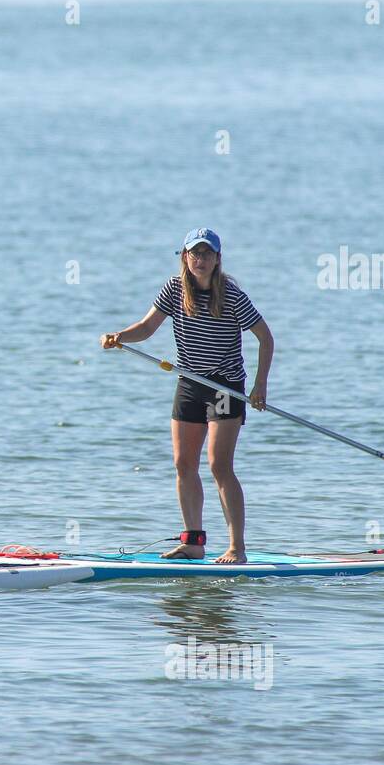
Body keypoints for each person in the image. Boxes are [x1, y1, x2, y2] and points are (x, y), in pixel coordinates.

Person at [101, 228, 274, 564]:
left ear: (218, 259)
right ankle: (193, 542)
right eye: (195, 253)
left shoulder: (233, 295)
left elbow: (266, 338)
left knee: (219, 465)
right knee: (183, 464)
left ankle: (236, 548)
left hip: (225, 386)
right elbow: (147, 327)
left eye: (207, 254)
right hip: (190, 382)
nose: (201, 259)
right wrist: (119, 336)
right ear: (184, 257)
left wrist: (259, 385)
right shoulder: (174, 289)